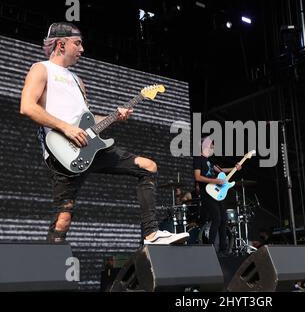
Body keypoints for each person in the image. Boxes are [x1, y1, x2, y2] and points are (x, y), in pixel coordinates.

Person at [20, 22, 189, 245]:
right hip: (62, 154)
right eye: (77, 43)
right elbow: (27, 107)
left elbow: (87, 121)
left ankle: (151, 234)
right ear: (61, 44)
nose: (82, 49)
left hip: (91, 149)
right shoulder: (41, 69)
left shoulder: (78, 81)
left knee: (148, 167)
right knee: (63, 219)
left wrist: (114, 116)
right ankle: (48, 273)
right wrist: (66, 128)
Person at [193, 136, 241, 254]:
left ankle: (223, 250)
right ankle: (210, 248)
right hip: (207, 193)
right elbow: (197, 177)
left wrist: (235, 168)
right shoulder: (198, 159)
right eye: (211, 144)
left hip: (217, 193)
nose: (213, 146)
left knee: (224, 220)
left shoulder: (210, 161)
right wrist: (215, 181)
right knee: (217, 219)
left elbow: (221, 170)